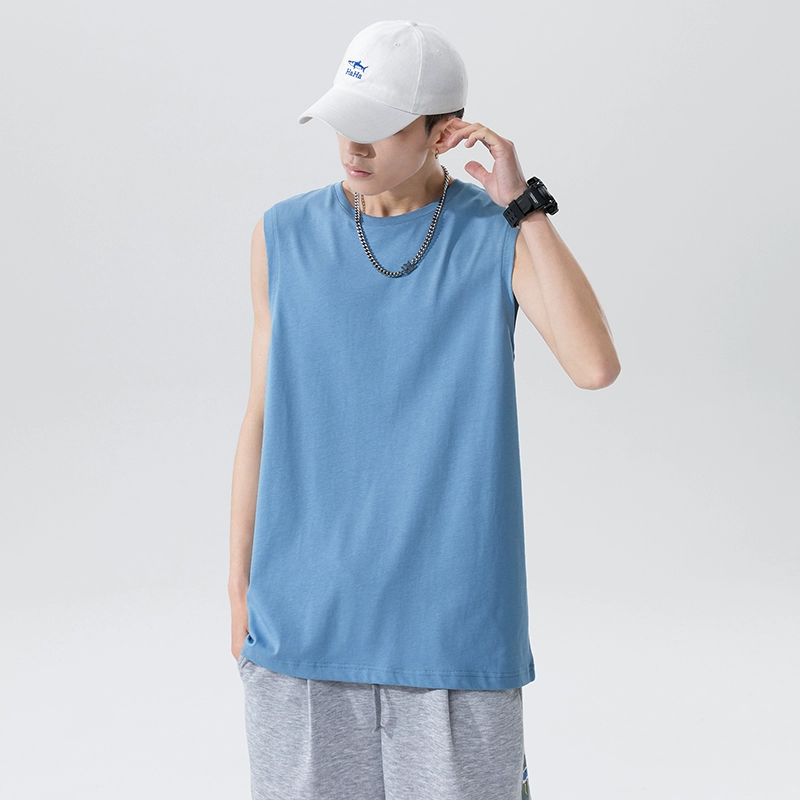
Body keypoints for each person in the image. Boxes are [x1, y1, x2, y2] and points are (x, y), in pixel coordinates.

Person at [228, 19, 620, 800]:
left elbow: (594, 366)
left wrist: (523, 206)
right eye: (344, 121)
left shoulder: (493, 236)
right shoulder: (282, 236)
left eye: (377, 127)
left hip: (454, 639)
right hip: (302, 632)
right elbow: (261, 420)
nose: (352, 147)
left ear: (444, 133)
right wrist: (239, 594)